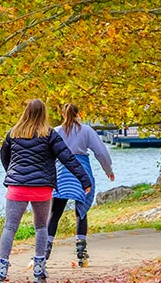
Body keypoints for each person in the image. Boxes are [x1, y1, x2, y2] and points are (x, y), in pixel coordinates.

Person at [0, 99, 92, 283]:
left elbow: (4, 156)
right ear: (44, 114)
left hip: (17, 187)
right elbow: (67, 157)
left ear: (25, 112)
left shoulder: (13, 133)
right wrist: (84, 180)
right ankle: (39, 268)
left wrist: (13, 174)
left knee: (10, 228)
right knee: (41, 227)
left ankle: (1, 269)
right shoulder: (49, 135)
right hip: (42, 188)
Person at [46, 104, 115, 267]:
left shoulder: (56, 131)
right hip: (82, 170)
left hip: (62, 171)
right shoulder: (87, 131)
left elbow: (48, 155)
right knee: (81, 211)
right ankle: (81, 251)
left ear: (62, 114)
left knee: (55, 212)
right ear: (79, 114)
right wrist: (108, 169)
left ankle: (45, 250)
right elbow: (101, 152)